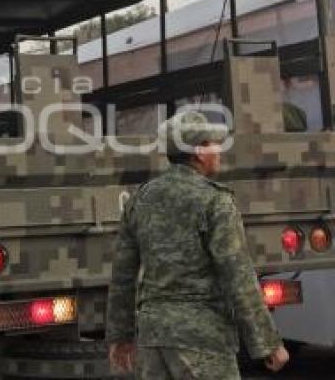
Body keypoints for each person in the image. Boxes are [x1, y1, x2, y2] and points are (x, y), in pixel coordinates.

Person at [106, 111, 290, 379]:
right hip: (202, 340)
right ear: (199, 151)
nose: (219, 150)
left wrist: (120, 336)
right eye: (213, 143)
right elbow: (238, 277)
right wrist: (267, 343)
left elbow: (122, 275)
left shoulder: (140, 200)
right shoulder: (215, 202)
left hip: (153, 339)